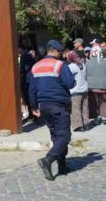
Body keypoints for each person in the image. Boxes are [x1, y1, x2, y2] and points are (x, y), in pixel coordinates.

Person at [29, 39, 76, 181]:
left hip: (43, 106)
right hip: (59, 104)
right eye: (60, 51)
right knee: (64, 136)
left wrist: (34, 107)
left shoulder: (36, 66)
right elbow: (71, 83)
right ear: (55, 51)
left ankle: (62, 165)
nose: (61, 54)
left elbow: (31, 89)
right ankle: (47, 160)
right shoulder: (60, 65)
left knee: (56, 136)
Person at [86, 42, 106, 124]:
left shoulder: (87, 62)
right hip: (103, 85)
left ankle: (96, 116)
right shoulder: (105, 61)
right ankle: (104, 116)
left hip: (91, 86)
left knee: (94, 102)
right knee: (104, 101)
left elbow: (85, 73)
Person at [67, 46, 90, 132]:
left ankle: (78, 126)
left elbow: (68, 78)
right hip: (84, 89)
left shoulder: (71, 66)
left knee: (76, 109)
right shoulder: (82, 64)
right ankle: (86, 124)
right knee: (85, 108)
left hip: (76, 90)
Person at [19, 45, 35, 120]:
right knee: (26, 97)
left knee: (29, 97)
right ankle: (31, 115)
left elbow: (26, 68)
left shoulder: (26, 56)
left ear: (21, 48)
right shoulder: (24, 56)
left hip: (28, 79)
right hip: (25, 79)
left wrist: (20, 70)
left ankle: (34, 115)